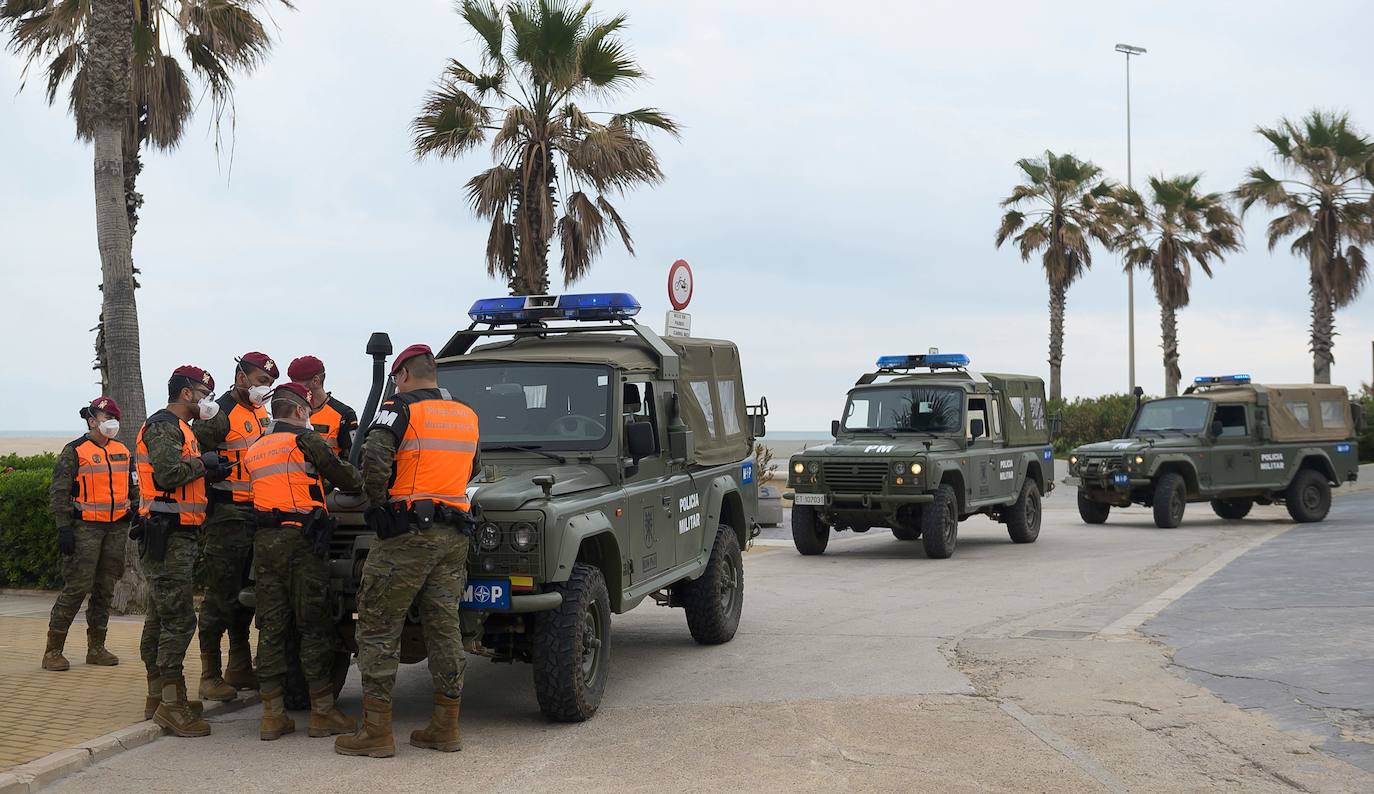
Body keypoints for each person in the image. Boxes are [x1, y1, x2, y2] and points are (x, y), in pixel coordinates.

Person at [335, 344, 479, 758]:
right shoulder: (467, 414)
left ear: (401, 375)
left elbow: (374, 458)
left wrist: (378, 508)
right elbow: (473, 467)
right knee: (443, 626)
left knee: (378, 625)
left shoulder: (399, 408)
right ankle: (445, 726)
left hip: (405, 534)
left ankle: (377, 732)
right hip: (453, 533)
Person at [242, 383, 364, 741]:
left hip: (265, 542)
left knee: (273, 626)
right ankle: (323, 712)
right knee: (314, 624)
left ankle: (271, 714)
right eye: (307, 410)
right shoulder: (305, 441)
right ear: (299, 411)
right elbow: (344, 475)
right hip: (301, 540)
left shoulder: (256, 448)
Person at [137, 365, 233, 737]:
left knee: (161, 617)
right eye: (203, 392)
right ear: (187, 393)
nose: (206, 399)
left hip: (175, 533)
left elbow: (182, 474)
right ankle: (171, 705)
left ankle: (159, 696)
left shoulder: (184, 430)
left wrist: (208, 470)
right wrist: (202, 465)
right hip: (167, 534)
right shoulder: (164, 425)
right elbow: (167, 474)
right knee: (177, 620)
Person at [192, 351, 278, 702]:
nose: (265, 388)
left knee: (246, 595)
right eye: (261, 380)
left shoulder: (260, 411)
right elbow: (197, 453)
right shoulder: (220, 412)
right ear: (241, 376)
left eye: (270, 383)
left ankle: (240, 666)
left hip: (256, 512)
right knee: (221, 596)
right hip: (227, 515)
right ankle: (209, 674)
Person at [41, 397, 136, 672]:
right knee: (76, 588)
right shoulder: (75, 451)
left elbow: (133, 485)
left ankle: (96, 648)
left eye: (114, 417)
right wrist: (63, 528)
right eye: (106, 417)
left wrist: (136, 510)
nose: (111, 422)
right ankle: (53, 651)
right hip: (85, 530)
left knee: (105, 589)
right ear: (92, 420)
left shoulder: (123, 450)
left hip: (116, 528)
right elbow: (59, 492)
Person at [287, 355, 359, 460]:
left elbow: (354, 458)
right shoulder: (287, 412)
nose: (293, 388)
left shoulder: (344, 414)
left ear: (315, 381)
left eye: (297, 383)